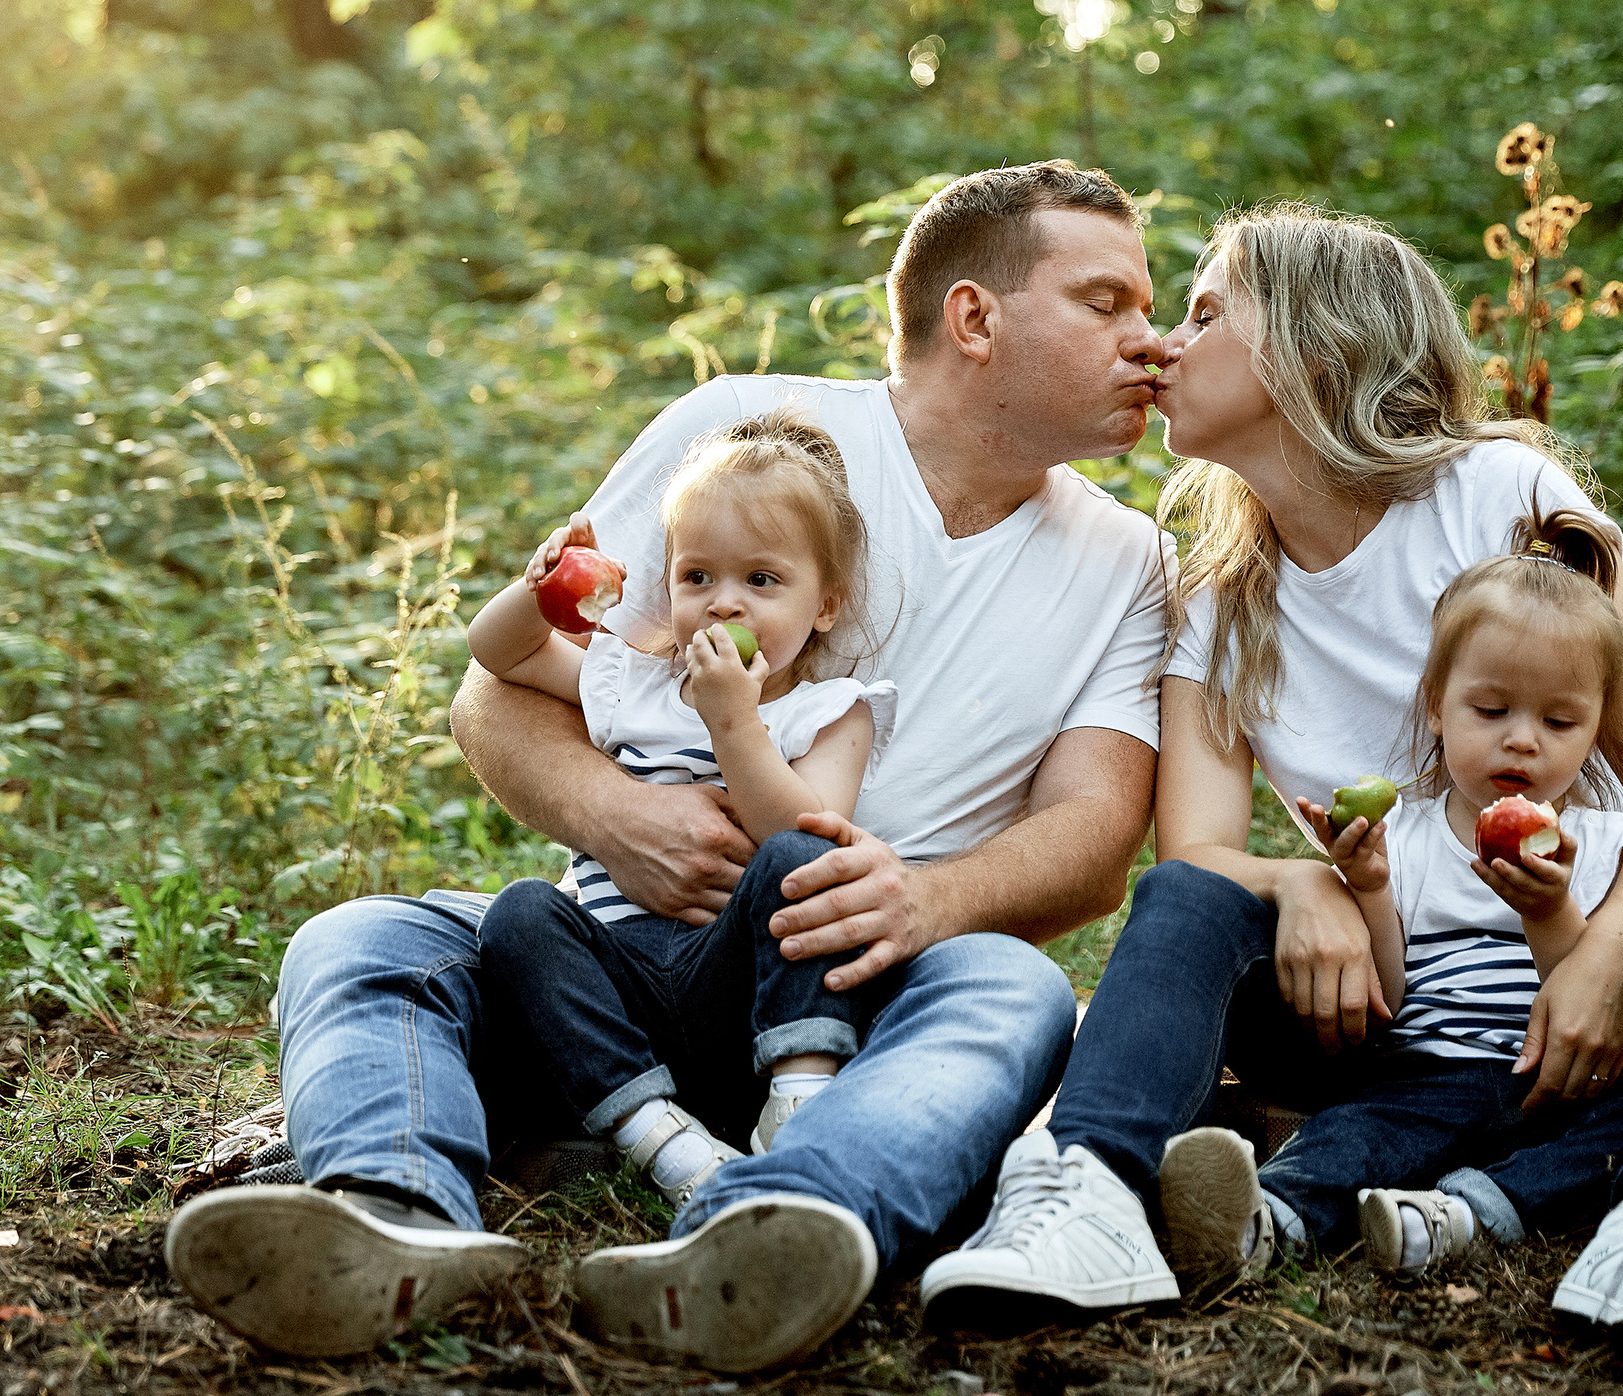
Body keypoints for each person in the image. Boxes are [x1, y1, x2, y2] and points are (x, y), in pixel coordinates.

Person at [166, 161, 1175, 1372]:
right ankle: (390, 1218)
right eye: (1108, 303)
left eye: (1147, 309)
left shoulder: (1127, 561)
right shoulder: (746, 433)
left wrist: (927, 900)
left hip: (860, 993)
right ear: (975, 317)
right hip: (619, 964)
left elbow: (1096, 835)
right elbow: (505, 686)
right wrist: (614, 812)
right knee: (363, 940)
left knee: (1010, 996)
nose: (1149, 341)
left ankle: (773, 1224)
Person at [921, 204, 1623, 1383]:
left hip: (1576, 984)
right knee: (1188, 906)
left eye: (1200, 316)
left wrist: (1603, 958)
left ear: (1312, 350)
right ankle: (1086, 1189)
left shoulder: (1499, 492)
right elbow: (1192, 851)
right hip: (1376, 1004)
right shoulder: (1215, 592)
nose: (1158, 346)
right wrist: (1300, 882)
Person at [463, 407, 898, 1209]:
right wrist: (538, 591)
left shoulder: (832, 709)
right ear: (668, 590)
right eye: (698, 577)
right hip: (615, 975)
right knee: (520, 913)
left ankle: (798, 1107)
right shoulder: (634, 682)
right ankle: (657, 1135)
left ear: (826, 604)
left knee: (806, 867)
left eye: (761, 580)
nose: (723, 604)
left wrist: (733, 721)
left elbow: (806, 834)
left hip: (737, 984)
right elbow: (501, 652)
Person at [1262, 506, 1623, 1269]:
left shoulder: (1604, 843)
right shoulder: (1403, 837)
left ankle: (1466, 1211)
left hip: (1556, 1089)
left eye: (1560, 721)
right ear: (1437, 706)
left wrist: (1551, 909)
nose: (1522, 738)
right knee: (1353, 1131)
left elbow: (1594, 996)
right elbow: (1390, 999)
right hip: (1425, 1074)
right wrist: (1369, 886)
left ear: (1597, 728)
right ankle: (1265, 1218)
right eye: (1492, 709)